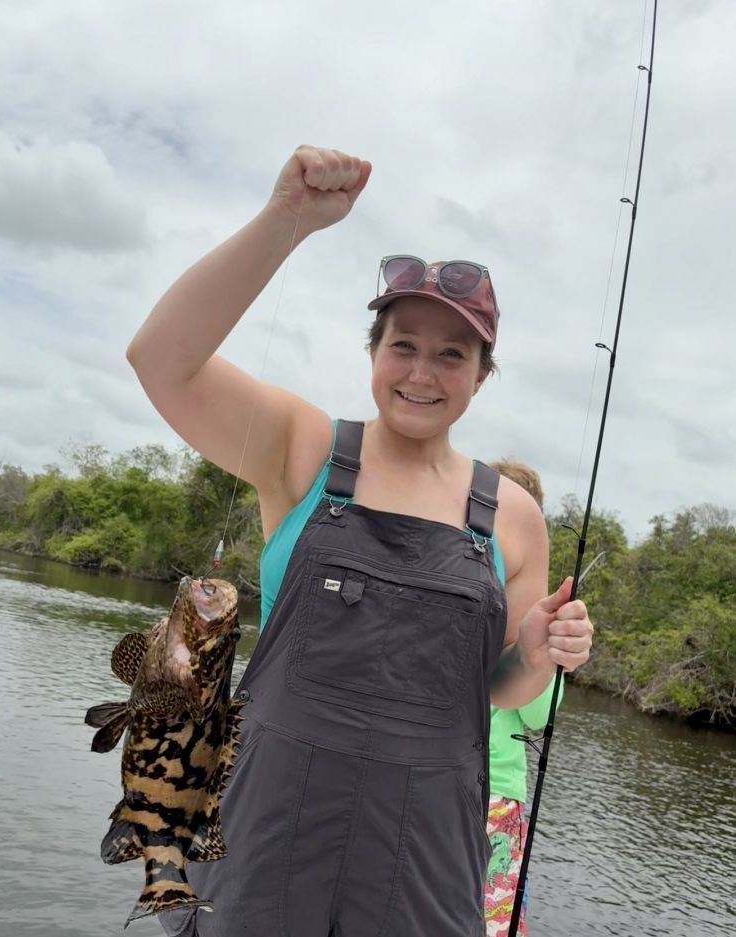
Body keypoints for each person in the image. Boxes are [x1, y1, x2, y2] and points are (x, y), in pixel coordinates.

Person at [126, 145, 593, 937]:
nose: (423, 370)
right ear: (373, 353)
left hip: (428, 859)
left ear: (482, 375)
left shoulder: (513, 515)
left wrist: (539, 652)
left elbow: (499, 687)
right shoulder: (302, 448)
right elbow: (160, 358)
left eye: (453, 353)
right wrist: (286, 221)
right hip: (264, 837)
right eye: (403, 344)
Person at [484, 458, 560, 937]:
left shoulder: (539, 614)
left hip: (496, 797)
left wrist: (543, 652)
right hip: (423, 779)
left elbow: (535, 713)